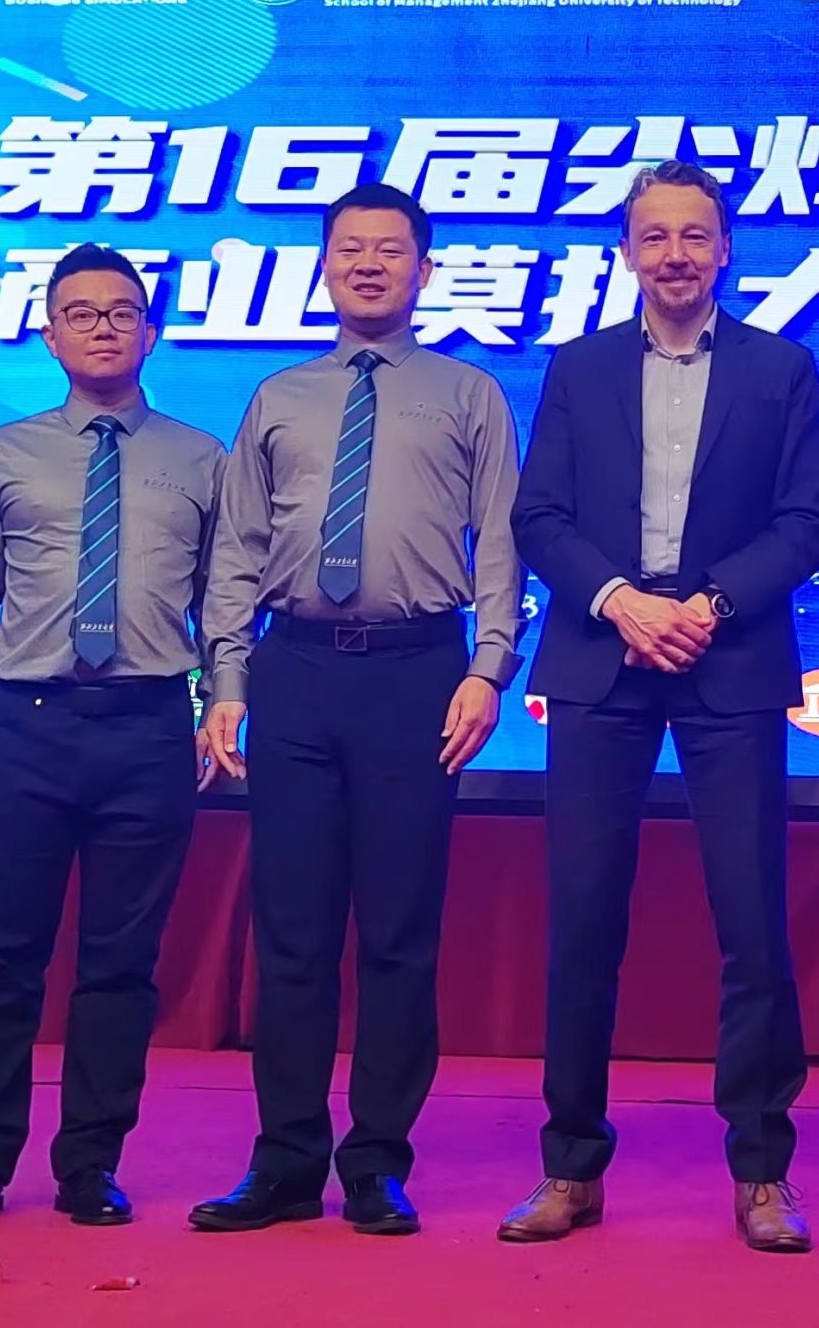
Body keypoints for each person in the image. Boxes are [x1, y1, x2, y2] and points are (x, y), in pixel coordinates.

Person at [501, 160, 819, 1252]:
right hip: (601, 656)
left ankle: (762, 1172)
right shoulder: (579, 366)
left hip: (728, 658)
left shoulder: (781, 367)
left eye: (696, 235)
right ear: (628, 252)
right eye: (655, 236)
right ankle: (569, 1165)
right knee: (582, 918)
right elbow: (539, 515)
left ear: (725, 248)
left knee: (753, 924)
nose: (676, 255)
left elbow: (805, 521)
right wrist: (619, 601)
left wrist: (706, 604)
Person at [190, 183, 523, 1237]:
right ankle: (285, 1161)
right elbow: (237, 549)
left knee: (397, 934)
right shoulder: (278, 395)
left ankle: (376, 1161)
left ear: (426, 269)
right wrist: (226, 682)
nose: (368, 264)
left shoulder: (469, 393)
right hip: (293, 672)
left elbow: (501, 541)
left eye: (390, 249)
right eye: (349, 249)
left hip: (416, 675)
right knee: (291, 933)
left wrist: (489, 666)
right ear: (326, 265)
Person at [0, 243, 224, 1228]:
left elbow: (224, 601)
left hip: (149, 729)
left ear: (151, 330)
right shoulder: (5, 452)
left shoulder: (201, 458)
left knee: (121, 966)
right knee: (1, 958)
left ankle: (91, 1163)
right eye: (81, 312)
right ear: (49, 334)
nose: (103, 326)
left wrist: (223, 699)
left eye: (122, 310)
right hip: (27, 726)